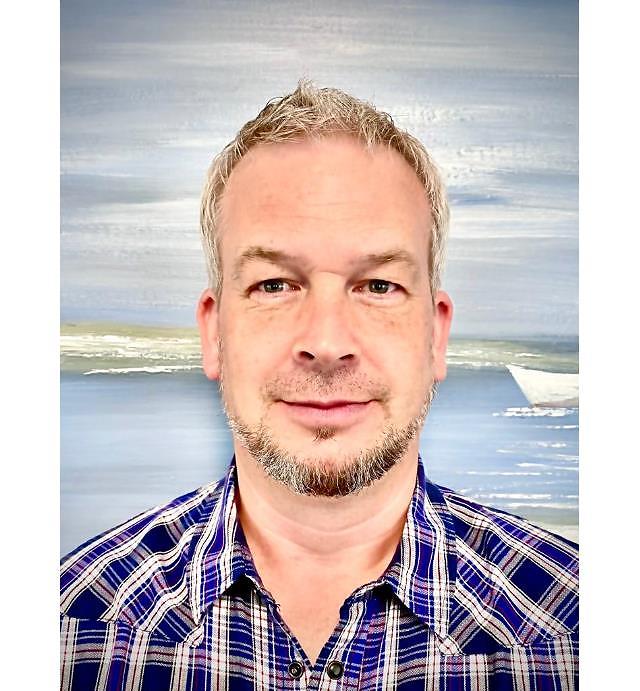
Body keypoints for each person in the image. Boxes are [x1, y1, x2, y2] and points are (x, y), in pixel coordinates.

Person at [60, 81, 578, 690]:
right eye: (274, 285)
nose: (327, 343)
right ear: (214, 334)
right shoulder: (69, 628)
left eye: (379, 286)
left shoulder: (579, 628)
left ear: (436, 336)